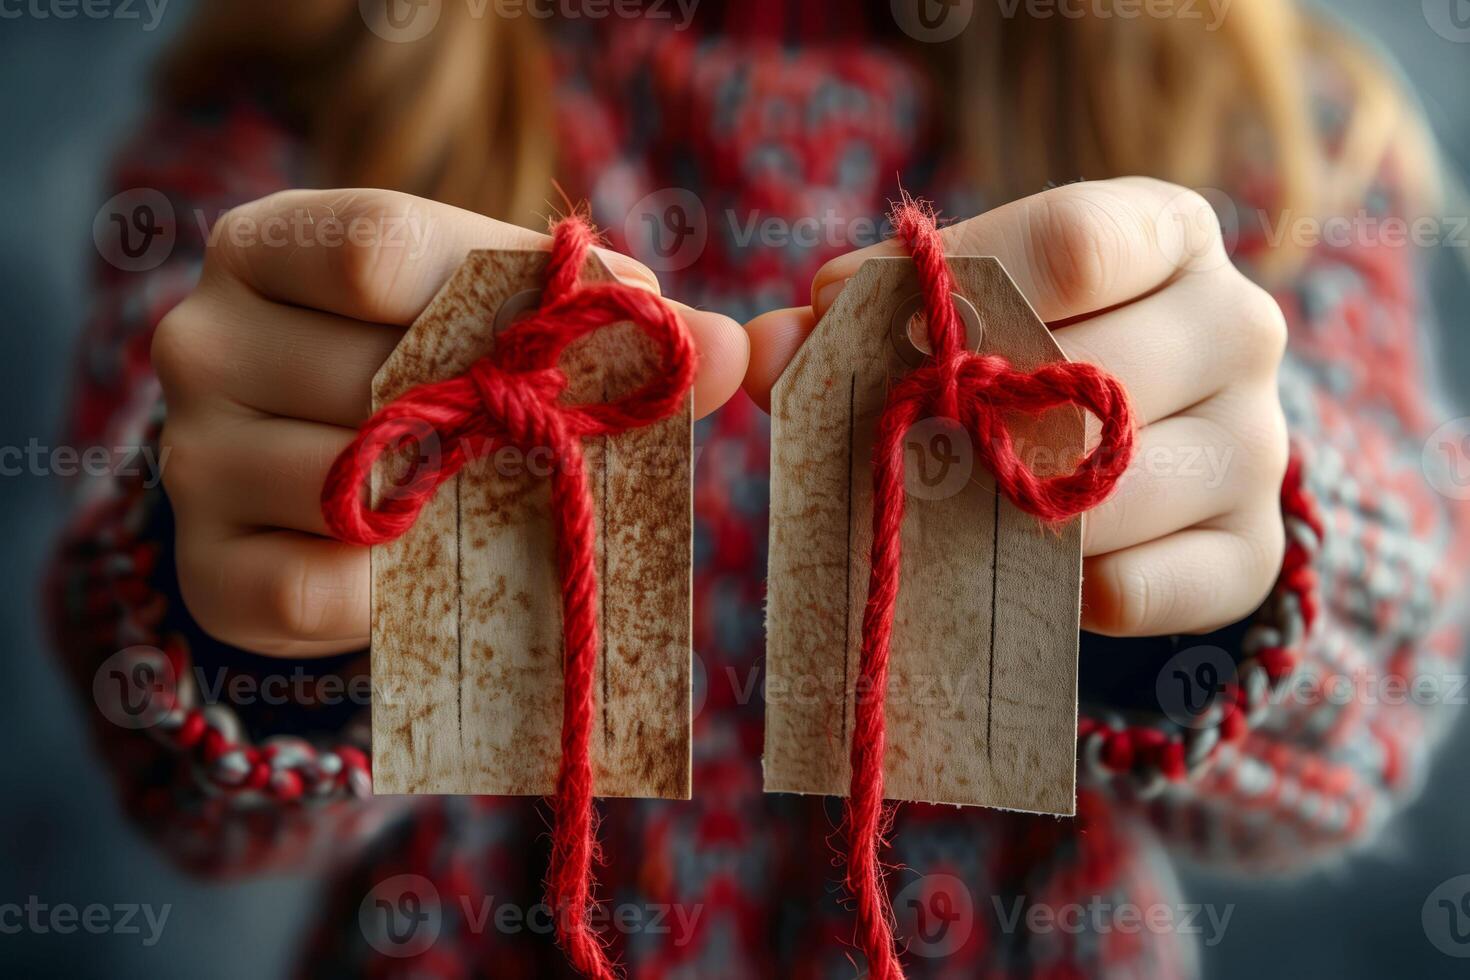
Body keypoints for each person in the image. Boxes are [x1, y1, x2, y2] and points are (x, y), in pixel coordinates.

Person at [55, 0, 1465, 976]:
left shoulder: (1264, 120)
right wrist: (250, 590)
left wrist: (1220, 559)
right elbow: (189, 784)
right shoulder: (307, 91)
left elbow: (1364, 715)